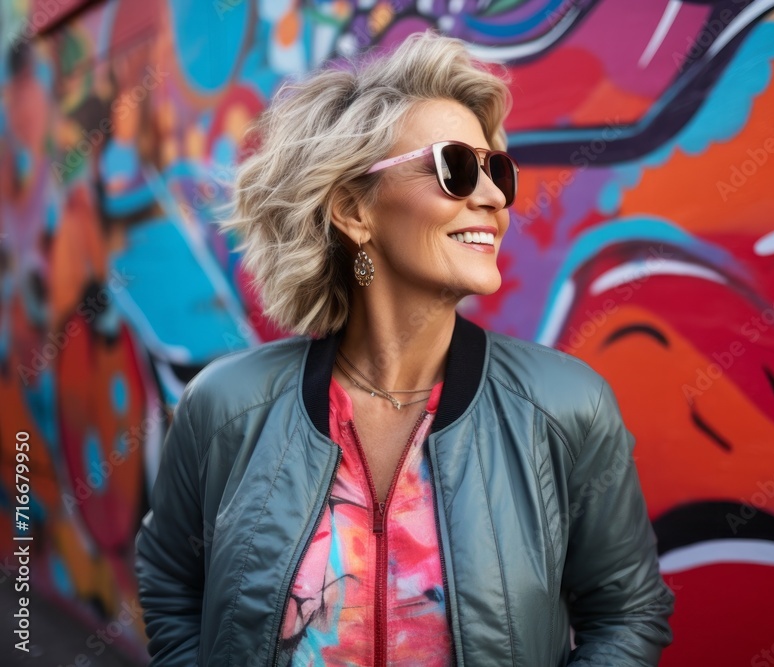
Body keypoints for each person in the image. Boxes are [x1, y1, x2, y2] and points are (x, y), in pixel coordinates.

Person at [134, 30, 673, 667]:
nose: (493, 198)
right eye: (456, 168)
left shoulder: (565, 408)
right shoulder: (226, 408)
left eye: (497, 172)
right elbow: (171, 583)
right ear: (352, 209)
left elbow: (627, 614)